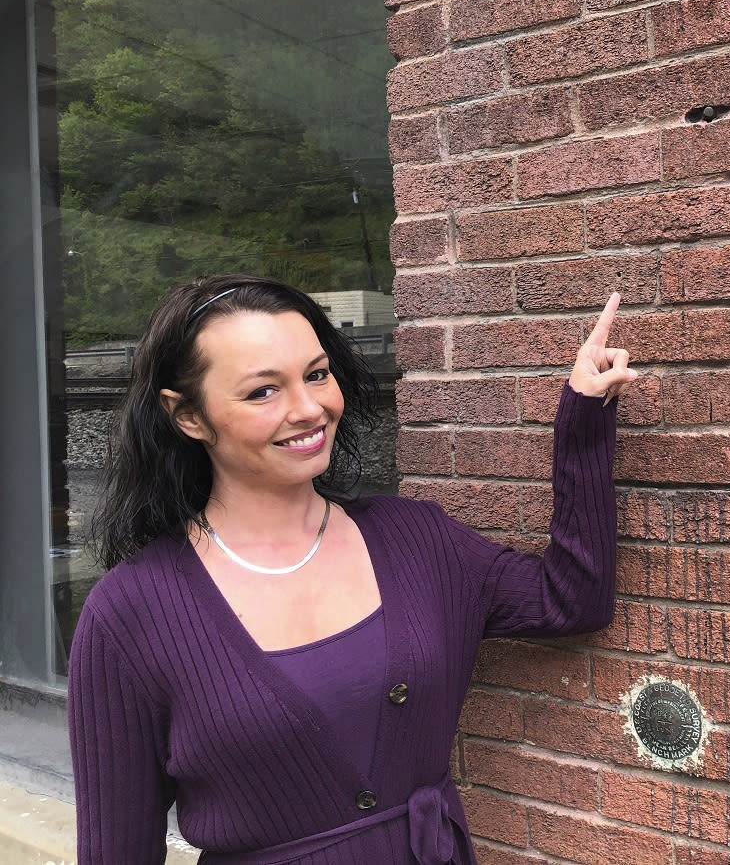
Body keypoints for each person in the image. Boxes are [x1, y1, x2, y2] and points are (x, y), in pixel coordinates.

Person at [68, 274, 634, 864]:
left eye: (317, 374)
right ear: (187, 415)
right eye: (263, 391)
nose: (310, 408)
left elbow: (573, 597)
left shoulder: (416, 540)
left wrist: (584, 422)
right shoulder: (130, 615)